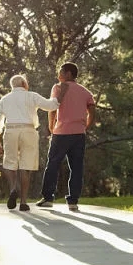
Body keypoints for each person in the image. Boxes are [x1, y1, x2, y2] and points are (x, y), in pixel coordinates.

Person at [0, 74, 68, 211]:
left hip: (11, 130)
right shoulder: (32, 95)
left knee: (10, 163)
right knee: (25, 167)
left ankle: (13, 188)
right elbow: (51, 105)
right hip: (28, 131)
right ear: (23, 84)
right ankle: (23, 202)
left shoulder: (5, 99)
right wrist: (62, 92)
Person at [36, 62, 96, 211]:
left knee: (53, 164)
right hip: (79, 134)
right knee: (77, 167)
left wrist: (51, 126)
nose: (59, 75)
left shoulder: (58, 88)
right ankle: (73, 201)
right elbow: (92, 111)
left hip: (61, 133)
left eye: (61, 72)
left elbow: (53, 108)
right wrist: (86, 126)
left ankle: (48, 198)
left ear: (69, 73)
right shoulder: (85, 92)